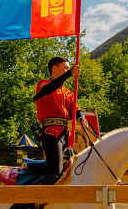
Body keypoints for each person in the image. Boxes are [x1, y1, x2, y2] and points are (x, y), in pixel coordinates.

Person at [33, 56, 88, 185]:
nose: (69, 70)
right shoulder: (43, 85)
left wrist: (81, 117)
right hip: (51, 132)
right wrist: (70, 73)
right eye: (66, 68)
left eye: (69, 69)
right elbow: (50, 88)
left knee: (69, 171)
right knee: (54, 173)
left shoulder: (69, 93)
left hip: (65, 134)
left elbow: (76, 109)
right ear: (54, 68)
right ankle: (27, 201)